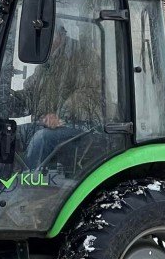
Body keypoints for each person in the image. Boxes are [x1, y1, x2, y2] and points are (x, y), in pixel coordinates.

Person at [21, 23, 103, 169]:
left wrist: (60, 116)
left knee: (41, 139)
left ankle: (30, 185)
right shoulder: (46, 62)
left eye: (45, 36)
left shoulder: (83, 55)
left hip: (83, 128)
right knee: (11, 135)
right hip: (49, 126)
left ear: (59, 35)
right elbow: (29, 96)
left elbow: (91, 92)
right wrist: (4, 99)